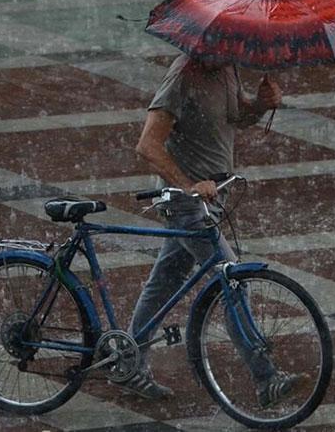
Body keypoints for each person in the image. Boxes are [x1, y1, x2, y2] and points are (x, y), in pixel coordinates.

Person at [120, 53, 299, 405]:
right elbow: (148, 144)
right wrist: (188, 185)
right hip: (187, 203)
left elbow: (237, 117)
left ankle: (127, 362)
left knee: (164, 283)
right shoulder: (183, 76)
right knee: (232, 283)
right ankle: (266, 379)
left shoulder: (227, 67)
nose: (235, 47)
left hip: (211, 198)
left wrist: (261, 106)